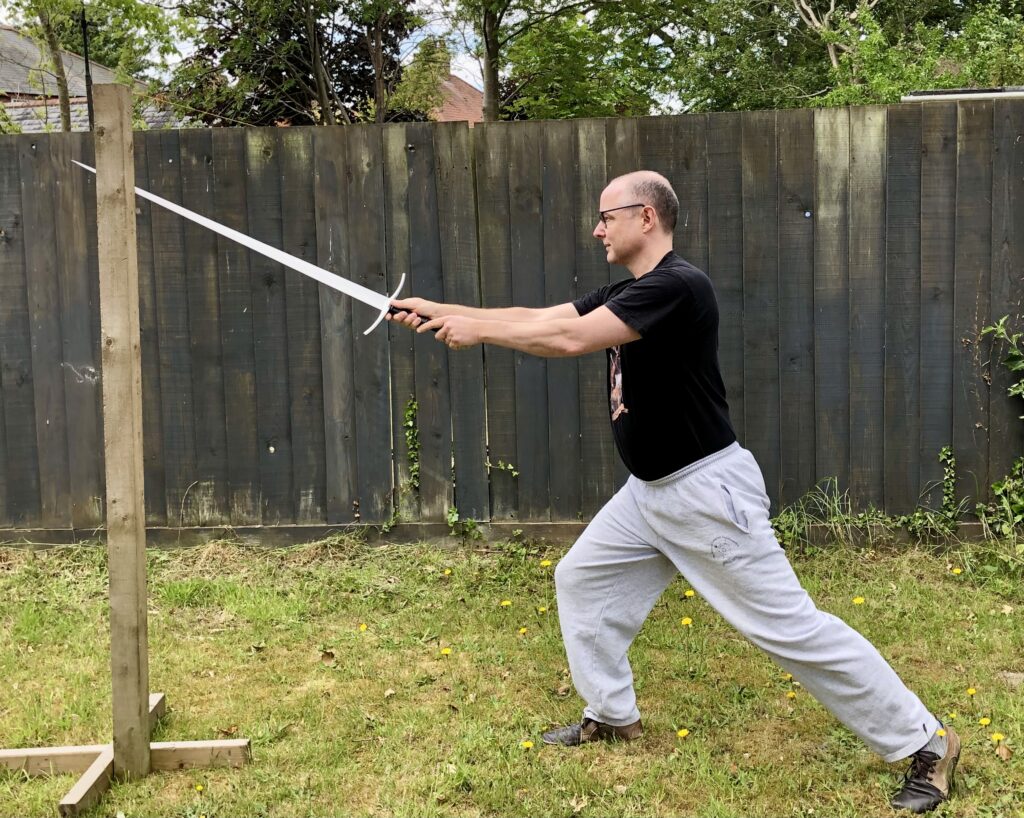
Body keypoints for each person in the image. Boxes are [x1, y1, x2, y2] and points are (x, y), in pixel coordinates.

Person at [387, 170, 959, 814]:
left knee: (789, 629)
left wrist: (479, 333)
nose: (597, 229)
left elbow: (568, 338)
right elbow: (543, 316)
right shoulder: (631, 291)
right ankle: (612, 714)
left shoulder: (677, 286)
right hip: (649, 494)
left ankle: (927, 742)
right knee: (581, 578)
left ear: (647, 217)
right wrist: (445, 312)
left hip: (706, 493)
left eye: (607, 216)